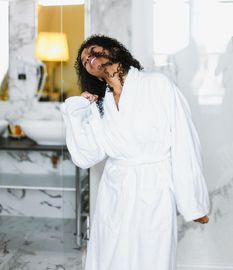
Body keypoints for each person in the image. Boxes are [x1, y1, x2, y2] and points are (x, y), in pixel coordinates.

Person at [61, 34, 210, 270]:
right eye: (84, 60)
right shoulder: (99, 106)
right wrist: (76, 112)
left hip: (155, 189)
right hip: (114, 193)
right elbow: (87, 156)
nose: (89, 57)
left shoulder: (157, 84)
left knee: (152, 258)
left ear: (115, 51)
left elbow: (184, 142)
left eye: (93, 50)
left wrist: (193, 203)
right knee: (110, 258)